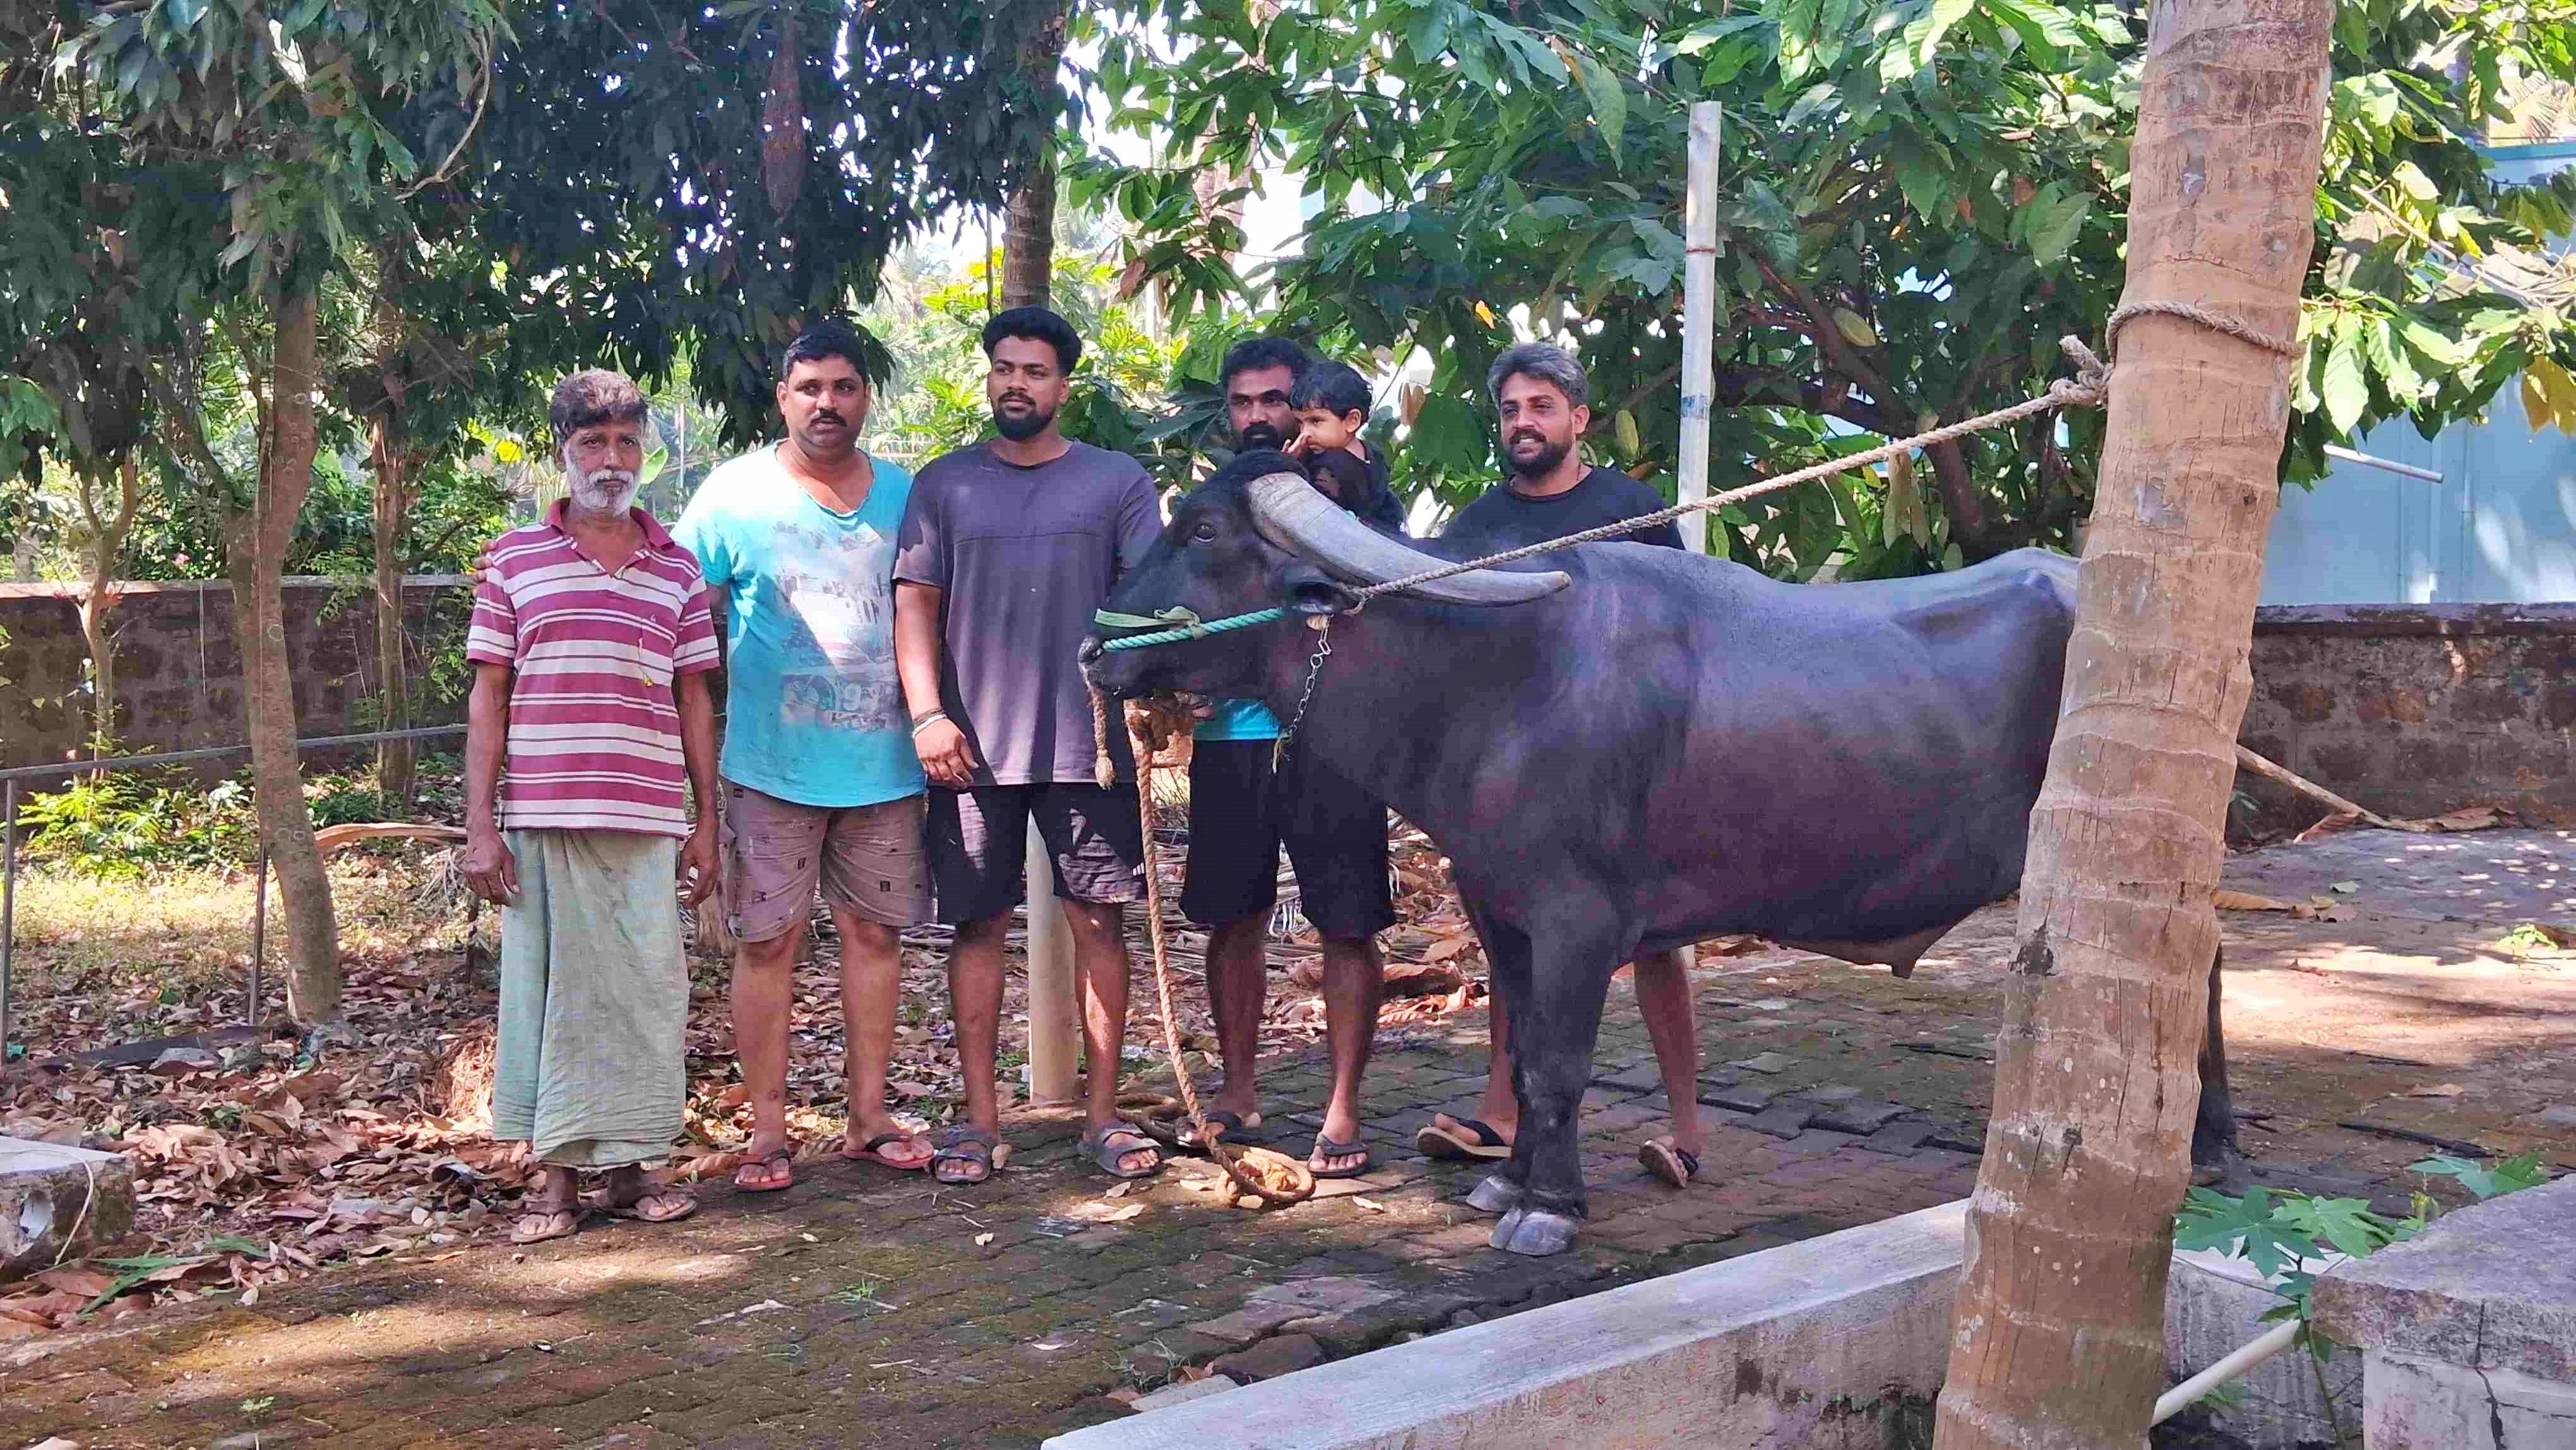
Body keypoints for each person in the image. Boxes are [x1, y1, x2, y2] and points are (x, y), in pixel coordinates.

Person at [1419, 341, 1709, 1190]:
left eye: (1542, 407)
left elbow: (1687, 631)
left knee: (1661, 941)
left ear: (1579, 419)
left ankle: (1686, 1128)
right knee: (1514, 939)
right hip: (1519, 782)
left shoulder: (1633, 509)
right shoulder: (1477, 529)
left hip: (1631, 768)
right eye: (1510, 410)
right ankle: (1503, 1115)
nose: (1524, 424)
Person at [893, 305, 1166, 1185]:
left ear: (1064, 386)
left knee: (1100, 924)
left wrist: (1153, 698)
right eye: (1005, 368)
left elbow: (1147, 602)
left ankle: (1103, 1120)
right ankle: (977, 1124)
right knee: (978, 928)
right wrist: (929, 715)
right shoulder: (945, 485)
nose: (1018, 383)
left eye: (1036, 371)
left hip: (1087, 747)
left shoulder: (1116, 481)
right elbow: (914, 607)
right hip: (968, 749)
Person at [668, 319, 937, 1194]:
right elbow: (677, 611)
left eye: (845, 387)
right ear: (783, 397)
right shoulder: (731, 496)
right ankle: (769, 1133)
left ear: (866, 397)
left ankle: (868, 1117)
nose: (827, 403)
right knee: (768, 942)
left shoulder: (907, 497)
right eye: (810, 388)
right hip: (768, 769)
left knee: (873, 936)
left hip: (886, 770)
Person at [462, 369, 720, 1243]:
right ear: (563, 452)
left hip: (647, 817)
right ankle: (554, 1179)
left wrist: (707, 820)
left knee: (647, 990)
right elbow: (488, 696)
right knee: (549, 996)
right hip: (542, 814)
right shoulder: (514, 557)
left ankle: (640, 1165)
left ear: (645, 451)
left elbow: (695, 700)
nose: (610, 461)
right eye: (591, 443)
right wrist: (480, 827)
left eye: (625, 443)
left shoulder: (677, 568)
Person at [1177, 341, 1397, 1180]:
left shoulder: (1358, 486)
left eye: (1280, 402)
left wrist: (1346, 478)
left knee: (1349, 922)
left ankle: (1343, 1109)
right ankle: (1238, 1092)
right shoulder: (1212, 503)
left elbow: (1388, 566)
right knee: (1231, 919)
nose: (1262, 418)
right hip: (1229, 739)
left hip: (1336, 738)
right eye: (1244, 404)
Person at [1284, 357, 1407, 532]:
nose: (1305, 433)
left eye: (1316, 421)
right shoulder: (1371, 455)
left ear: (1352, 421)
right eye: (1301, 423)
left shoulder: (1331, 462)